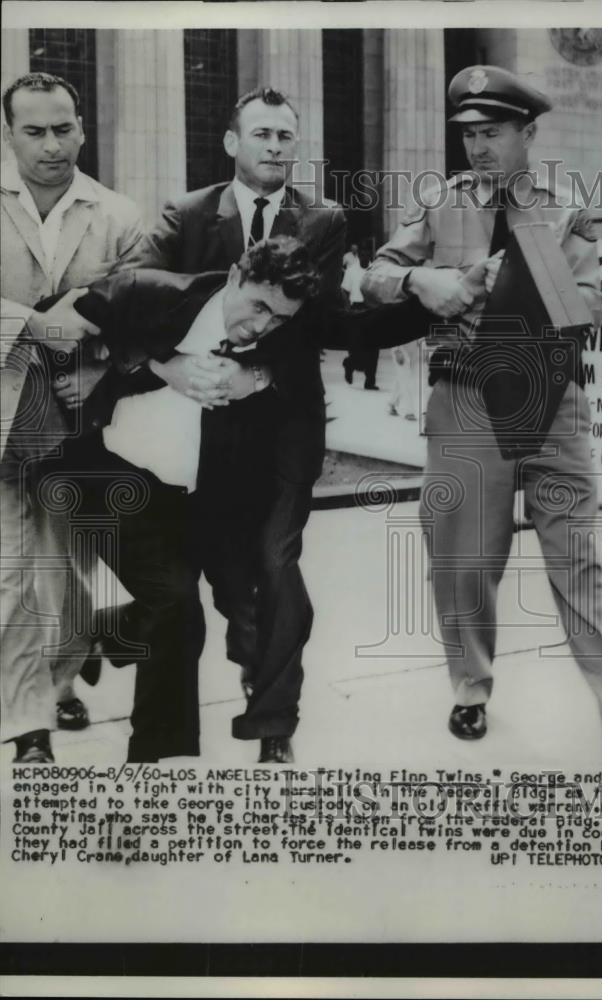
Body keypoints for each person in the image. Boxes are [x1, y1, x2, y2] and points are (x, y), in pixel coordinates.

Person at [362, 64, 602, 765]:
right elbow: (373, 274)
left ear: (527, 133)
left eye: (492, 133)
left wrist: (535, 291)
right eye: (468, 135)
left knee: (577, 554)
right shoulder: (438, 202)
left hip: (549, 394)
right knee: (463, 560)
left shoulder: (564, 206)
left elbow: (592, 303)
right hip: (466, 397)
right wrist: (423, 278)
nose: (477, 148)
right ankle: (470, 687)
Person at [59, 236, 448, 763]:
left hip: (197, 493)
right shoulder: (146, 289)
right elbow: (56, 322)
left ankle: (148, 737)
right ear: (236, 274)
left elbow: (362, 329)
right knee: (177, 606)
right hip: (109, 476)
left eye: (279, 318)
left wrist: (449, 296)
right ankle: (155, 757)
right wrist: (137, 365)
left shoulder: (283, 332)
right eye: (259, 306)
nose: (262, 325)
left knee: (204, 602)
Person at [129, 86, 346, 757]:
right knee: (229, 581)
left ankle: (274, 724)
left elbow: (320, 322)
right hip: (207, 430)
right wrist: (166, 366)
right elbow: (133, 295)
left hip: (283, 424)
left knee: (277, 566)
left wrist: (261, 373)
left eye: (286, 135)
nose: (275, 146)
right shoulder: (189, 214)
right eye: (262, 134)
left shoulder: (324, 220)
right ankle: (248, 661)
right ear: (232, 142)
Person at [0, 72, 143, 761]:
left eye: (63, 128)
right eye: (34, 131)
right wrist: (35, 324)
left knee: (66, 564)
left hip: (80, 425)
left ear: (83, 128)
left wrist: (97, 364)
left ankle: (62, 679)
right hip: (3, 414)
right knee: (15, 569)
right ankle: (32, 727)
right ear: (10, 135)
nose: (52, 144)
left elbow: (142, 314)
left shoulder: (119, 215)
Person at [341, 244, 380, 390]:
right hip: (356, 309)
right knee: (357, 346)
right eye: (362, 254)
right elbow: (344, 291)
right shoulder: (351, 271)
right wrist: (347, 309)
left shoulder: (376, 271)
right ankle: (350, 364)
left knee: (373, 347)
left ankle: (370, 381)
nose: (364, 257)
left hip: (371, 309)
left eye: (367, 254)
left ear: (370, 256)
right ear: (359, 255)